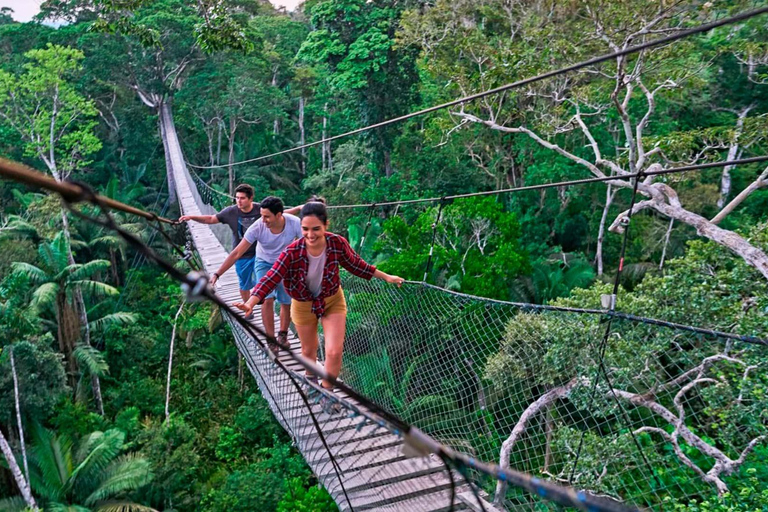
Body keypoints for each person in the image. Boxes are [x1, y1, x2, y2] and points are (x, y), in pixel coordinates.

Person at [234, 200, 404, 404]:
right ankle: (311, 379)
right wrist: (251, 302)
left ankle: (327, 392)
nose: (310, 235)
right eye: (305, 229)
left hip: (332, 300)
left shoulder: (336, 243)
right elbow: (272, 276)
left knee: (334, 350)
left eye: (316, 229)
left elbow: (356, 265)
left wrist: (386, 277)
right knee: (308, 350)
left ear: (326, 225)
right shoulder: (292, 252)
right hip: (303, 304)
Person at [209, 196, 301, 350]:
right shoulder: (257, 227)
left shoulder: (294, 223)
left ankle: (283, 335)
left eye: (267, 216)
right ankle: (271, 340)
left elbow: (310, 245)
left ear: (279, 215)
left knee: (286, 301)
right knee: (266, 299)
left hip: (286, 264)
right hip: (264, 262)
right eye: (261, 216)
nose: (263, 220)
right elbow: (237, 253)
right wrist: (217, 274)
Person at [179, 183, 261, 308]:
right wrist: (191, 217)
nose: (238, 201)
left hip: (260, 253)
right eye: (237, 198)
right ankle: (247, 308)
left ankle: (259, 296)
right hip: (240, 255)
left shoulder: (260, 209)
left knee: (263, 278)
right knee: (244, 285)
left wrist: (299, 209)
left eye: (242, 198)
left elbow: (279, 214)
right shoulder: (231, 212)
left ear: (251, 198)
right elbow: (211, 219)